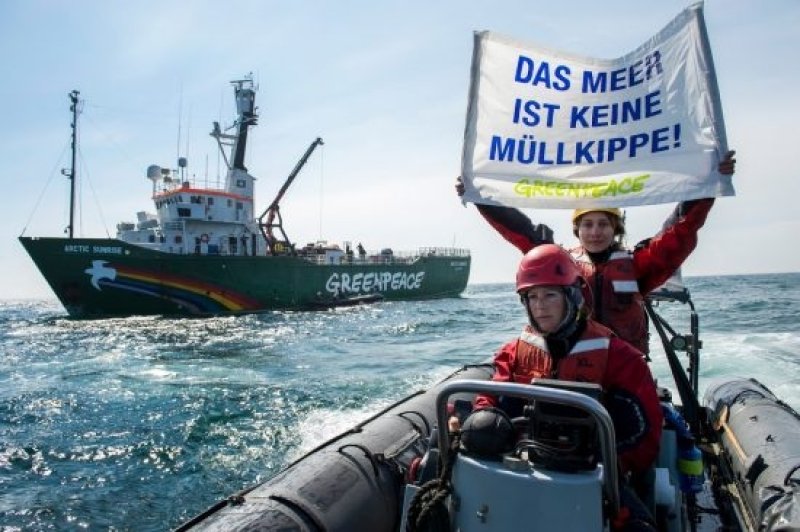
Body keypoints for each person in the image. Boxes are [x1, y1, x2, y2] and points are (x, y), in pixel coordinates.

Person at [457, 150, 736, 354]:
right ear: (577, 229)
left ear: (615, 229)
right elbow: (519, 230)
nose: (595, 231)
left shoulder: (638, 265)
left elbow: (680, 232)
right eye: (588, 224)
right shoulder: (559, 263)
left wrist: (709, 183)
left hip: (624, 370)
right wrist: (480, 196)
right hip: (570, 364)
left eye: (604, 224)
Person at [472, 244, 663, 477]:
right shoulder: (512, 353)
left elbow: (644, 440)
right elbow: (488, 400)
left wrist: (603, 466)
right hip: (523, 470)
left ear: (573, 296)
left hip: (593, 477)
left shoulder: (622, 359)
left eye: (550, 294)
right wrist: (485, 425)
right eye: (532, 296)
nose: (540, 305)